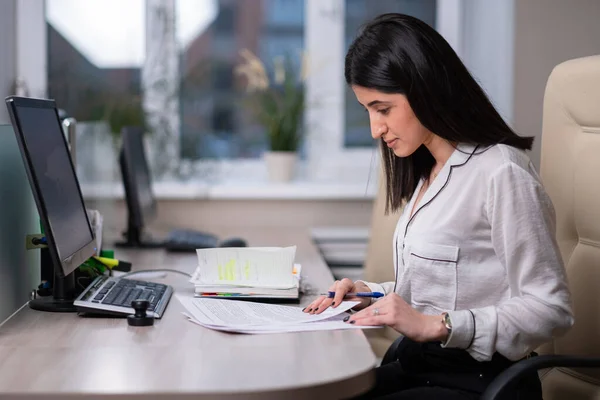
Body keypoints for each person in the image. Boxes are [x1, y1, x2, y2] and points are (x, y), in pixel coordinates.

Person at [303, 13, 574, 400]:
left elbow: (551, 308)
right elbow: (448, 289)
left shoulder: (500, 172)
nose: (375, 130)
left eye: (383, 109)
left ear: (425, 89)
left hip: (482, 383)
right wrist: (371, 294)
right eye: (367, 111)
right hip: (423, 366)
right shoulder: (431, 172)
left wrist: (440, 326)